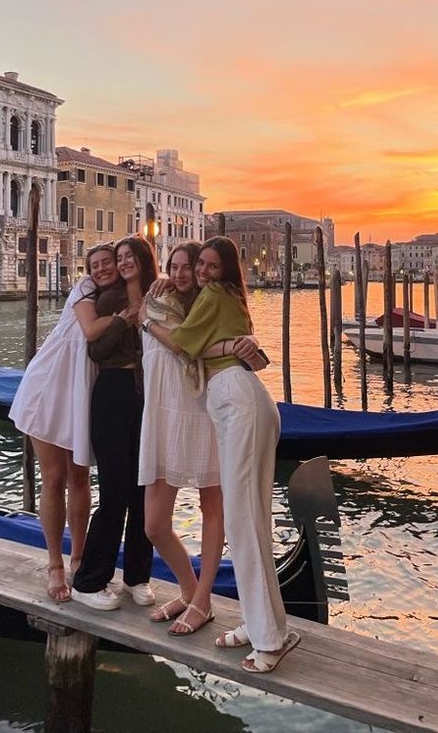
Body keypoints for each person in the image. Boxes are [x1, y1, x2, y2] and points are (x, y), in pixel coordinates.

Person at [141, 236, 300, 673]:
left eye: (212, 266)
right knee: (251, 519)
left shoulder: (212, 293)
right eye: (203, 266)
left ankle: (269, 640)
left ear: (224, 270)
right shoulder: (232, 297)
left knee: (244, 521)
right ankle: (258, 621)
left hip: (237, 402)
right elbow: (238, 351)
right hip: (245, 401)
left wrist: (147, 323)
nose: (206, 273)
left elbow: (184, 345)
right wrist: (231, 347)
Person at [9, 242, 119, 602]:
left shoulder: (120, 293)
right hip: (52, 384)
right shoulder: (86, 289)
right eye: (96, 264)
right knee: (54, 477)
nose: (101, 269)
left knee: (81, 476)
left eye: (108, 263)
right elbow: (89, 331)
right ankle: (56, 564)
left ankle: (80, 559)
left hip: (84, 390)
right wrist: (128, 315)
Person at [139, 242, 224, 636]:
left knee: (211, 508)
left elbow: (189, 345)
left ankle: (203, 600)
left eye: (186, 266)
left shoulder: (211, 305)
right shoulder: (158, 299)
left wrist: (145, 323)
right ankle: (189, 591)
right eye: (173, 266)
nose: (179, 273)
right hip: (161, 417)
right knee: (154, 525)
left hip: (203, 413)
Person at [72, 236, 158, 610]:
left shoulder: (158, 296)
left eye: (126, 257)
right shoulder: (110, 301)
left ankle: (138, 577)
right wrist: (123, 324)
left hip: (148, 398)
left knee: (144, 490)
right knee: (113, 494)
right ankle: (89, 581)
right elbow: (96, 349)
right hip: (112, 393)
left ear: (142, 259)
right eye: (117, 258)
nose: (121, 264)